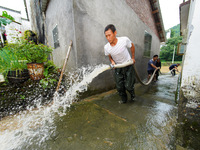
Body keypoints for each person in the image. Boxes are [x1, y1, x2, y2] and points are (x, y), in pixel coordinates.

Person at [104, 24, 136, 104]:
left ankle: (132, 94)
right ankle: (124, 100)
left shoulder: (124, 40)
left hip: (128, 65)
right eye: (106, 36)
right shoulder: (106, 47)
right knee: (119, 87)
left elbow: (132, 46)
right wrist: (112, 61)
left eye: (109, 35)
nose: (108, 38)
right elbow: (110, 56)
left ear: (115, 33)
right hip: (118, 67)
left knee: (128, 86)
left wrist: (133, 57)